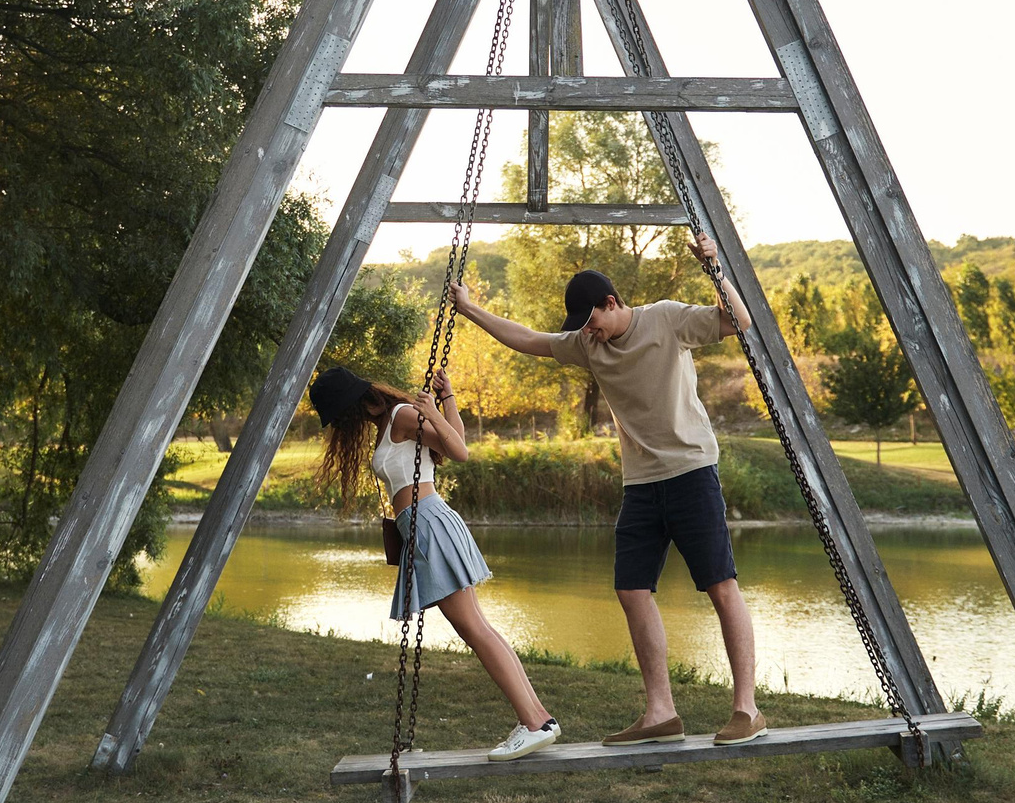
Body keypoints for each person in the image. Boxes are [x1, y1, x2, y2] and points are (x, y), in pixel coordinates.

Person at [448, 233, 769, 748]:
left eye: (592, 320)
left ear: (611, 303)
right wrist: (470, 310)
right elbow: (528, 338)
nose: (588, 333)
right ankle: (660, 712)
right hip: (640, 485)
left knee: (719, 584)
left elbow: (737, 322)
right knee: (630, 588)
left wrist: (714, 266)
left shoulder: (666, 318)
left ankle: (746, 709)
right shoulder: (587, 345)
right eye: (582, 327)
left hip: (690, 471)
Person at [308, 363, 560, 762]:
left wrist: (439, 406)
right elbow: (450, 439)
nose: (341, 426)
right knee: (480, 628)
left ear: (356, 404)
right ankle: (540, 720)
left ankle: (532, 722)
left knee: (475, 630)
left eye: (340, 417)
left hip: (427, 523)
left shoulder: (402, 415)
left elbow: (458, 450)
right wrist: (446, 400)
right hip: (421, 524)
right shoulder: (393, 421)